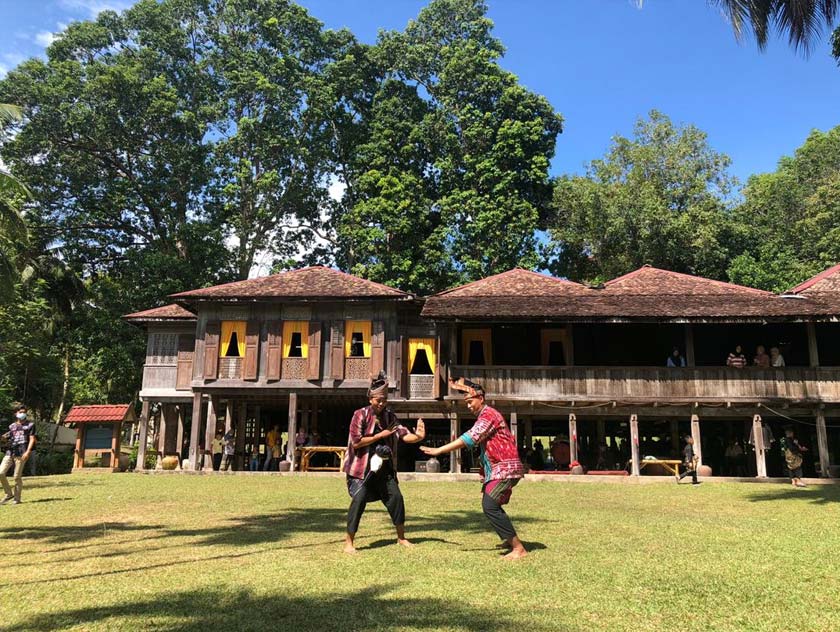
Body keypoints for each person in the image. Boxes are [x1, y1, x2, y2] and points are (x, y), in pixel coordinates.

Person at [421, 378, 527, 560]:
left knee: (490, 505)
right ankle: (509, 540)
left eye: (470, 402)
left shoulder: (489, 415)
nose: (469, 406)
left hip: (505, 468)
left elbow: (470, 437)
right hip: (500, 468)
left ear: (481, 398)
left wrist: (440, 450)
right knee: (491, 504)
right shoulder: (486, 415)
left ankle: (518, 548)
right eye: (466, 403)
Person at [343, 371, 426, 554]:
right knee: (359, 500)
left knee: (396, 498)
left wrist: (418, 437)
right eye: (378, 400)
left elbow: (403, 434)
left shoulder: (390, 417)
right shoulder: (360, 415)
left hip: (384, 469)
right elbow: (356, 442)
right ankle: (349, 542)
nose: (381, 403)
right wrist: (381, 435)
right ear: (370, 398)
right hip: (361, 469)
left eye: (384, 400)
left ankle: (401, 538)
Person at [1, 405, 36, 505]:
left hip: (22, 453)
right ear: (16, 413)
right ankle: (8, 494)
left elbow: (32, 439)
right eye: (20, 412)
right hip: (10, 452)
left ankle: (17, 498)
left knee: (16, 476)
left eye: (24, 412)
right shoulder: (12, 426)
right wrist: (2, 438)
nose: (22, 414)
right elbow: (6, 438)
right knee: (1, 473)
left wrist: (28, 451)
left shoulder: (30, 425)